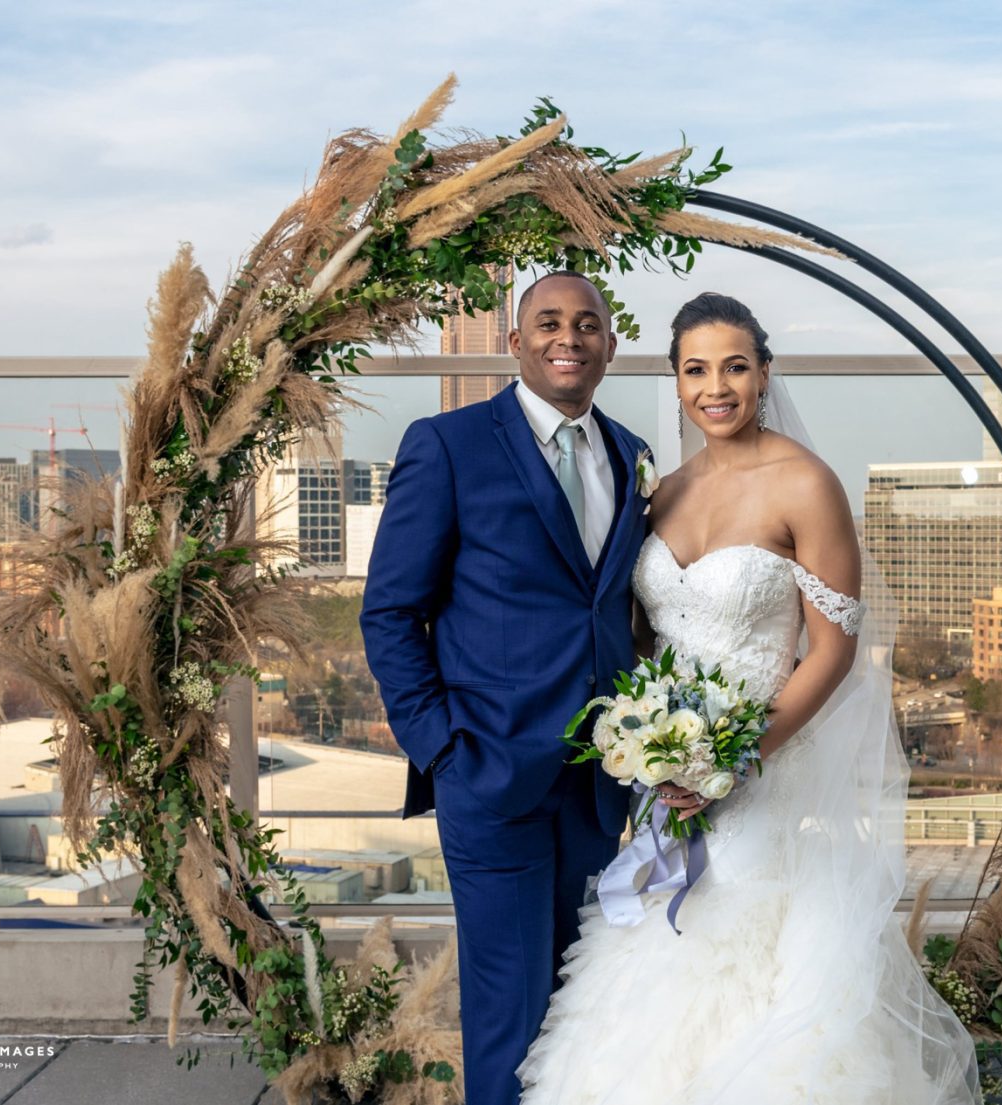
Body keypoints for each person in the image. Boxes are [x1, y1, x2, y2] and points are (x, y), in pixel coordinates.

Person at [516, 293, 981, 1104]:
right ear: (675, 382)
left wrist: (731, 759)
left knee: (757, 978)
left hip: (767, 775)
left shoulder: (806, 484)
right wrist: (651, 748)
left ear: (764, 374)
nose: (716, 386)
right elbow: (647, 642)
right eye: (696, 369)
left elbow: (833, 651)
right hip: (669, 782)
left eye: (735, 366)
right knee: (651, 974)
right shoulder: (658, 491)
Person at [360, 272, 652, 1105]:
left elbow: (613, 612)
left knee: (579, 1008)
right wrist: (444, 749)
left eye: (588, 323)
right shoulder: (447, 444)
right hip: (490, 774)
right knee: (509, 1014)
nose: (571, 336)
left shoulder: (632, 454)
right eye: (550, 322)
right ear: (516, 341)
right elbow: (389, 611)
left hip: (599, 786)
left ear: (609, 345)